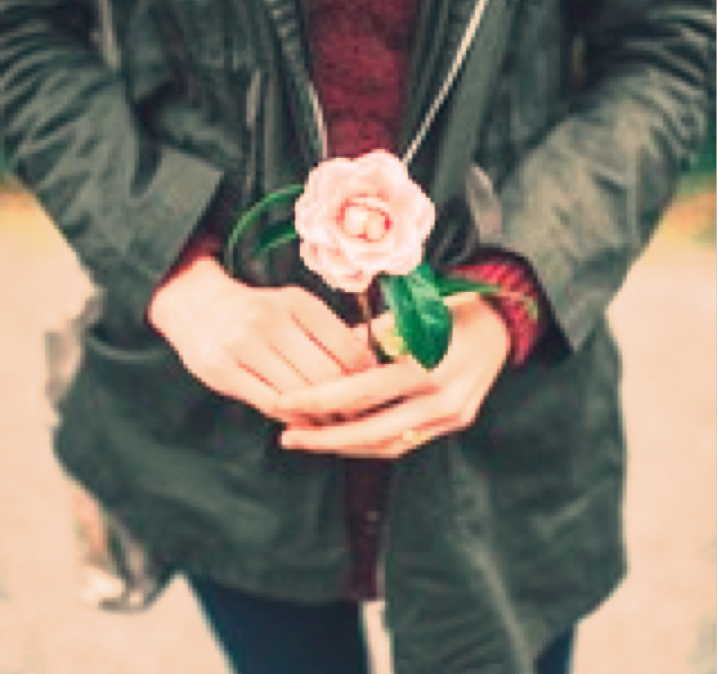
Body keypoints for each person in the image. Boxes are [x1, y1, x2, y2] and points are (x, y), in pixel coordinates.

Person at [0, 1, 714, 673]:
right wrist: (175, 276)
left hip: (509, 424)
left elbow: (667, 44)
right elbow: (23, 32)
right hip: (222, 437)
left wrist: (512, 296)